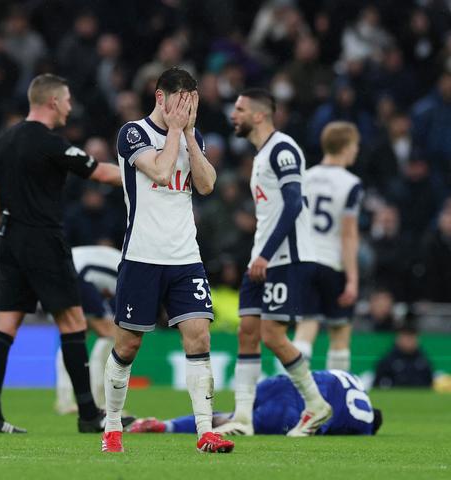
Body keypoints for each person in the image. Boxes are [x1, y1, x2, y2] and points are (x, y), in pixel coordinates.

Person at [102, 67, 234, 454]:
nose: (187, 110)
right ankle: (111, 428)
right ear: (161, 98)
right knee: (127, 346)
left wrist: (189, 133)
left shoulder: (194, 136)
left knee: (199, 336)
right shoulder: (133, 133)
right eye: (182, 103)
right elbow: (160, 173)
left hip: (185, 258)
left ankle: (205, 431)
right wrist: (176, 131)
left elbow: (207, 184)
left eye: (193, 104)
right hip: (142, 255)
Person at [0, 73, 123, 434]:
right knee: (73, 324)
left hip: (9, 239)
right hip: (44, 240)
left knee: (5, 326)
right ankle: (89, 415)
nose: (71, 107)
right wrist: (153, 173)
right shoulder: (51, 144)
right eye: (68, 101)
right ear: (53, 102)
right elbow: (103, 174)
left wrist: (7, 225)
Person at [220, 88, 332, 437]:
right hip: (263, 258)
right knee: (247, 332)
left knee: (271, 335)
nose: (232, 115)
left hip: (286, 258)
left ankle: (316, 405)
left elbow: (294, 204)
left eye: (239, 109)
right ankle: (242, 418)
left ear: (259, 115)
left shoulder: (283, 149)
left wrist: (266, 254)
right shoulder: (262, 155)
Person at [293, 122, 363, 371]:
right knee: (340, 331)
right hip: (333, 262)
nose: (356, 151)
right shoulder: (350, 183)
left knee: (305, 329)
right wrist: (353, 279)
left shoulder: (306, 177)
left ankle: (296, 393)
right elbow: (348, 234)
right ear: (345, 147)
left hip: (305, 261)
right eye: (355, 146)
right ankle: (339, 394)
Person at [128, 370, 383, 436]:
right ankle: (165, 426)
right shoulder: (366, 425)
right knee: (230, 421)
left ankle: (166, 425)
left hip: (282, 383)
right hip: (293, 412)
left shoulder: (354, 380)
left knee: (239, 413)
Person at [55, 245, 121, 415]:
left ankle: (65, 399)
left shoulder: (124, 262)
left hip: (58, 269)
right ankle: (99, 401)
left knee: (74, 335)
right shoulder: (137, 277)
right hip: (76, 274)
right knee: (111, 334)